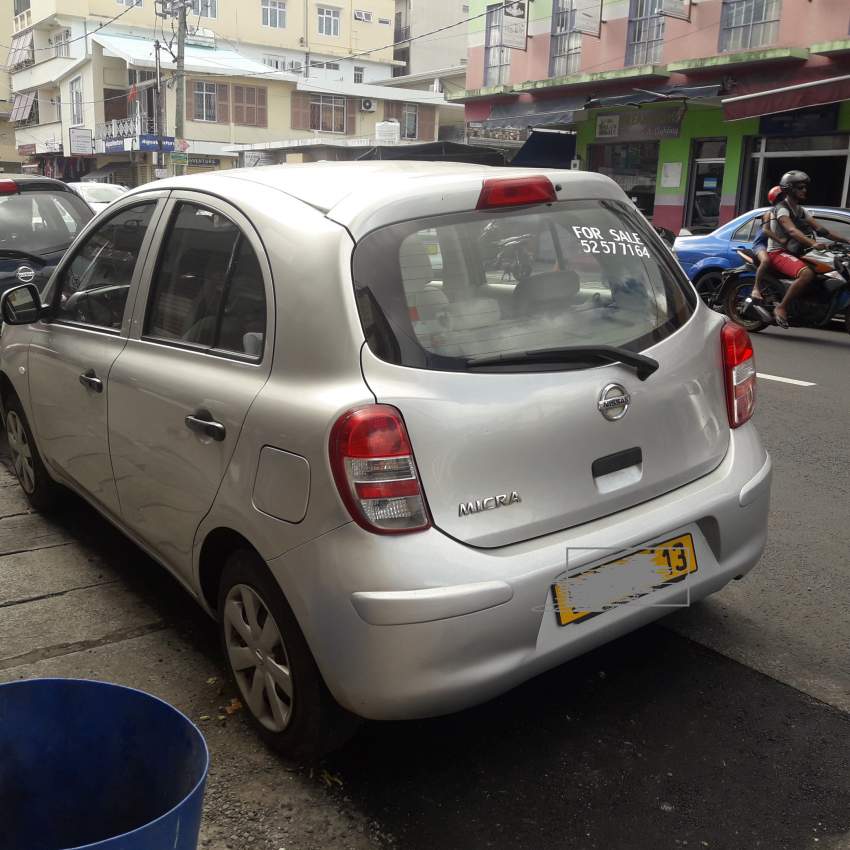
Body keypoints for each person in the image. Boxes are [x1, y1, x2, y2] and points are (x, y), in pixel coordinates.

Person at [768, 170, 850, 328]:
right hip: (779, 252)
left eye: (805, 187)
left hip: (797, 251)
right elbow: (792, 230)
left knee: (829, 266)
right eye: (800, 187)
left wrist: (845, 240)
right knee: (806, 274)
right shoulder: (782, 209)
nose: (804, 190)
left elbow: (821, 230)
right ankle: (782, 307)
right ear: (790, 189)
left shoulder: (800, 210)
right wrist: (812, 243)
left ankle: (812, 302)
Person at [749, 185, 785, 303]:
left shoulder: (785, 213)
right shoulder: (769, 213)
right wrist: (781, 240)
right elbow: (766, 230)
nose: (784, 199)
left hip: (773, 245)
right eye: (782, 197)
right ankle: (756, 288)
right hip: (761, 245)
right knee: (765, 261)